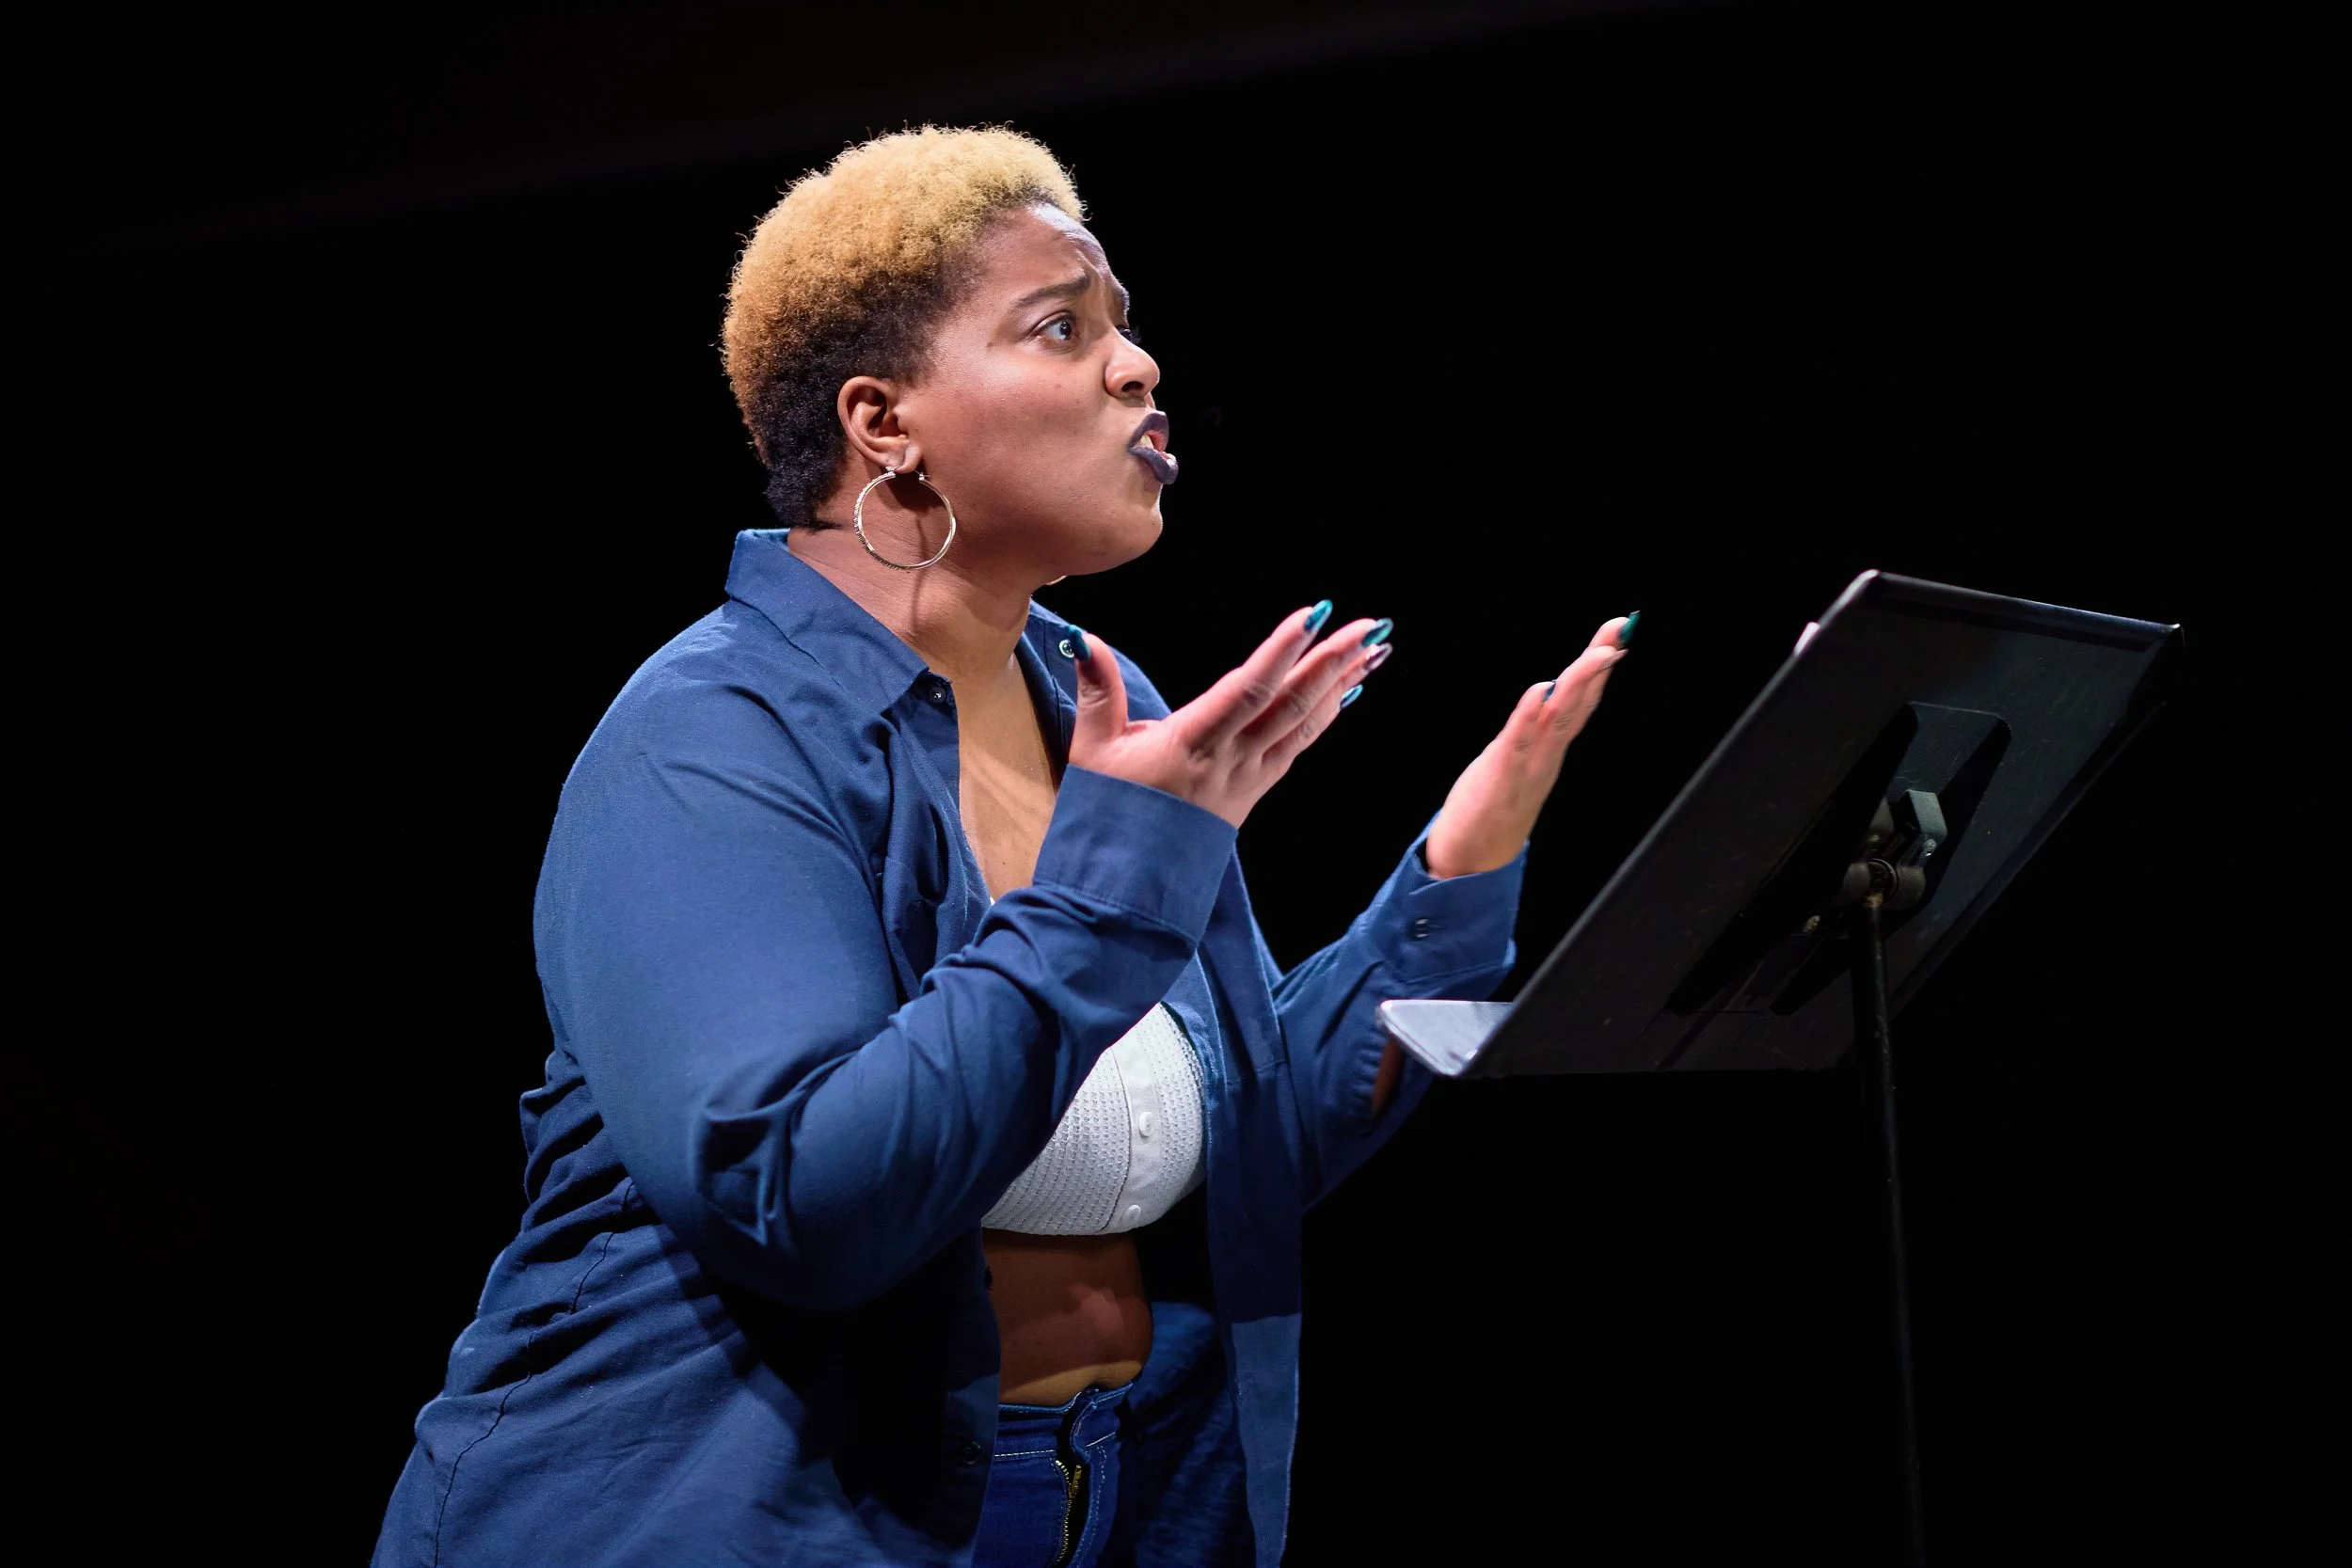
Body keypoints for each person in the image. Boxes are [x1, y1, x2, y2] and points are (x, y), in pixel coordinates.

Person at [373, 125, 1630, 1567]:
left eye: (1127, 327)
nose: (1138, 367)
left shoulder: (1096, 695)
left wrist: (1452, 880)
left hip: (1108, 1499)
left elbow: (1230, 1150)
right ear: (883, 423)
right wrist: (1117, 878)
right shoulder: (707, 737)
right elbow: (808, 1200)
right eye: (1061, 327)